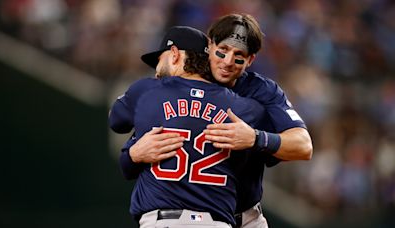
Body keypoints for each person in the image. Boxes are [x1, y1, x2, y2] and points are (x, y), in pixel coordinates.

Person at [121, 13, 313, 228]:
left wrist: (256, 138)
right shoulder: (177, 87)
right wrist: (134, 153)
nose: (228, 62)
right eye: (222, 51)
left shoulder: (262, 91)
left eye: (239, 56)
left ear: (251, 60)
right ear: (209, 45)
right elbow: (128, 164)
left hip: (246, 216)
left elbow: (304, 146)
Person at [109, 26, 268, 228]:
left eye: (159, 61)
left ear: (174, 54)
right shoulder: (243, 108)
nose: (157, 72)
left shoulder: (147, 91)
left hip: (165, 221)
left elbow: (116, 121)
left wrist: (132, 151)